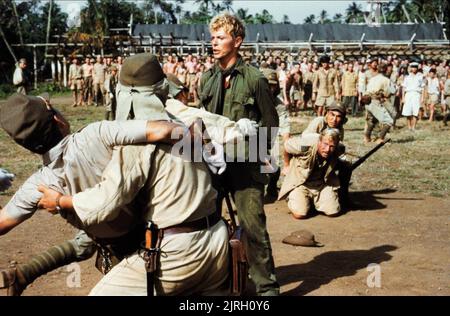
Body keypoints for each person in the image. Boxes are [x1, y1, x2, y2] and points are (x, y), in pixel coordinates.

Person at [38, 54, 234, 296]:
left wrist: (59, 201)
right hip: (217, 241)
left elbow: (107, 203)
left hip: (178, 253)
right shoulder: (186, 122)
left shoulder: (137, 141)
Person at [0, 93, 188, 296]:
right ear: (57, 119)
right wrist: (202, 152)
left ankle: (22, 276)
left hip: (116, 252)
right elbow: (165, 130)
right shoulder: (96, 133)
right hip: (162, 241)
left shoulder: (38, 186)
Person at [198, 13, 280, 296]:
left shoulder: (255, 79)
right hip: (213, 165)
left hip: (246, 166)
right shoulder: (206, 79)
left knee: (253, 227)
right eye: (212, 37)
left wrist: (255, 144)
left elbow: (271, 125)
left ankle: (266, 288)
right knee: (207, 225)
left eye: (221, 37)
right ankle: (217, 281)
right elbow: (201, 123)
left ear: (238, 41)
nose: (214, 42)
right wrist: (207, 154)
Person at [278, 128, 342, 219]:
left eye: (332, 146)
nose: (327, 149)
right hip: (301, 183)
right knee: (300, 214)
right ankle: (293, 197)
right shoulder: (304, 146)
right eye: (325, 144)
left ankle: (312, 201)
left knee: (333, 211)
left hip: (321, 184)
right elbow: (286, 146)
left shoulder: (339, 149)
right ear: (319, 141)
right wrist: (286, 165)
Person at [260, 68, 290, 199]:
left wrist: (287, 158)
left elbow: (285, 129)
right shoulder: (251, 99)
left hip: (268, 136)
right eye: (267, 84)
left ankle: (272, 187)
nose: (270, 88)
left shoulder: (279, 105)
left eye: (273, 85)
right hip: (249, 137)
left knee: (273, 168)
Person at [363, 64, 395, 143]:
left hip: (367, 100)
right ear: (386, 70)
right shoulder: (385, 79)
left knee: (372, 121)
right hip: (375, 101)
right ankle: (380, 139)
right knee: (389, 121)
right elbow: (389, 93)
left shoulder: (372, 79)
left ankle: (367, 138)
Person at [402, 62, 425, 131]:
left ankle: (413, 127)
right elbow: (403, 88)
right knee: (408, 111)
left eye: (415, 67)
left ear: (417, 68)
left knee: (415, 111)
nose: (414, 69)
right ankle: (409, 127)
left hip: (416, 94)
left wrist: (422, 97)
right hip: (408, 94)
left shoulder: (420, 77)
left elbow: (423, 88)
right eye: (412, 67)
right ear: (410, 68)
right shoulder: (407, 77)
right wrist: (403, 97)